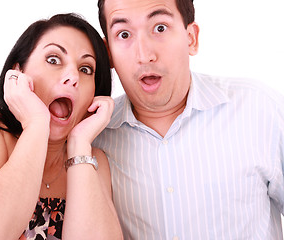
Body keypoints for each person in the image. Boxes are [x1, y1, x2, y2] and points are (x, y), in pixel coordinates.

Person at [93, 0, 284, 239]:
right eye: (123, 34)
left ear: (191, 38)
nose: (144, 55)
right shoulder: (93, 139)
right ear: (108, 53)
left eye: (160, 28)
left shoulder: (258, 108)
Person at [0, 13, 123, 240]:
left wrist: (79, 145)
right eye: (54, 59)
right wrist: (36, 124)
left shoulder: (92, 160)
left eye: (86, 69)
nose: (72, 76)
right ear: (18, 73)